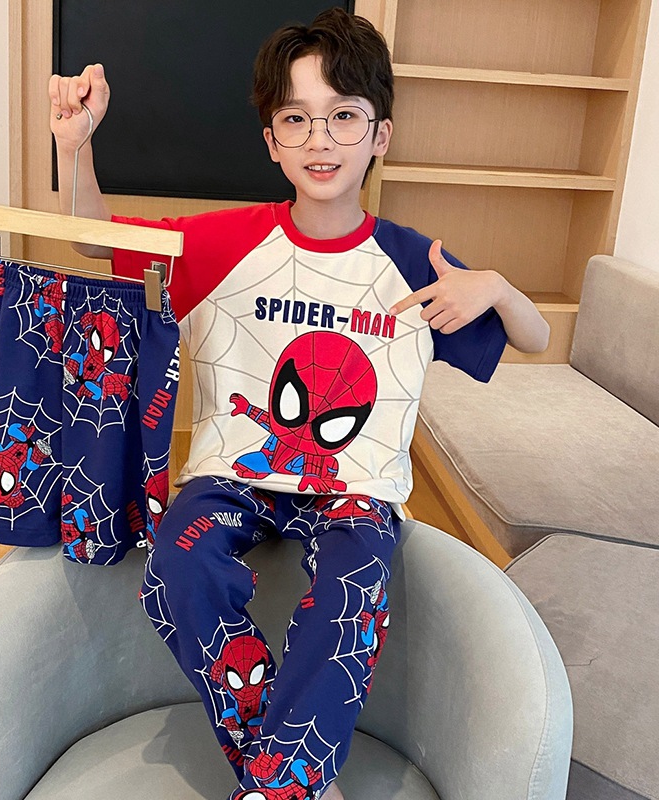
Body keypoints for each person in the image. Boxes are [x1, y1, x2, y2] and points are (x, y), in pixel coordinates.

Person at [49, 9, 549, 799]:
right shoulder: (222, 243)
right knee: (174, 564)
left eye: (344, 117)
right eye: (296, 119)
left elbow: (534, 336)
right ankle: (289, 777)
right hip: (235, 474)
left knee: (355, 588)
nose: (321, 140)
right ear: (271, 140)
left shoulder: (415, 260)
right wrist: (74, 148)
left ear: (380, 136)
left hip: (353, 488)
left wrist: (497, 287)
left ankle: (276, 783)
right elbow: (94, 239)